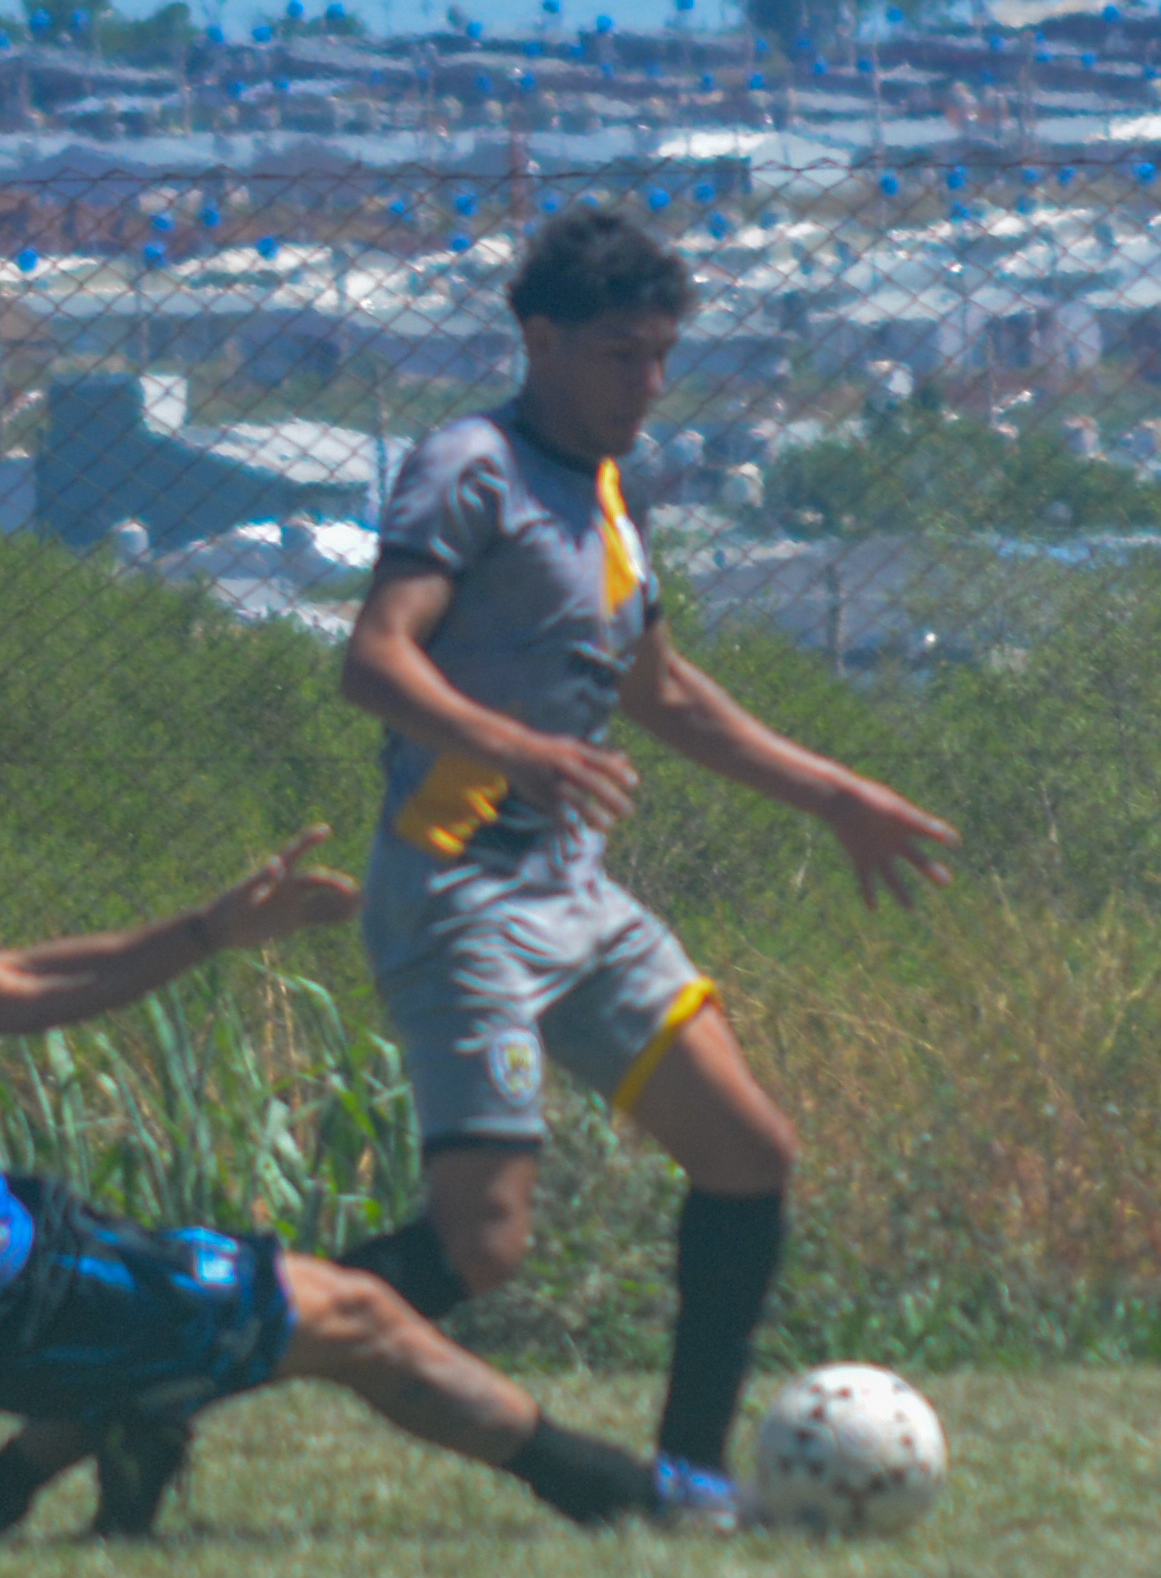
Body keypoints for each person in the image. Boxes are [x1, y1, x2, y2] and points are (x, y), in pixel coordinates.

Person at [0, 682, 720, 1551]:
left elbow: (23, 981)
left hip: (13, 1258)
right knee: (355, 1315)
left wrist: (210, 929)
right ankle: (639, 1499)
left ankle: (0, 1499)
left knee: (190, 1327)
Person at [334, 205, 958, 1512]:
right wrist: (515, 746)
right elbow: (374, 659)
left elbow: (663, 693)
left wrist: (836, 794)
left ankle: (687, 1475)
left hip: (573, 894)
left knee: (746, 1151)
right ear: (539, 340)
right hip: (457, 896)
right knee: (481, 1246)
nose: (650, 383)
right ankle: (180, 1351)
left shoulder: (608, 492)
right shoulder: (470, 467)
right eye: (621, 354)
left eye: (663, 354)